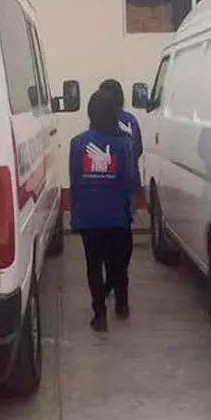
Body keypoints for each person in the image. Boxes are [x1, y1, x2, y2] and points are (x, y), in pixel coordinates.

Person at [69, 89, 137, 332]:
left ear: (90, 112)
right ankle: (122, 305)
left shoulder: (77, 143)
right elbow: (129, 181)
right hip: (117, 216)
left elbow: (75, 182)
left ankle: (100, 315)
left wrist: (75, 216)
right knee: (119, 263)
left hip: (89, 217)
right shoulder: (123, 144)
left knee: (93, 265)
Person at [99, 79, 143, 309]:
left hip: (109, 189)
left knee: (109, 243)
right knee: (124, 240)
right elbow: (138, 150)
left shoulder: (99, 124)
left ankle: (112, 282)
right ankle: (120, 292)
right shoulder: (131, 121)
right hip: (128, 188)